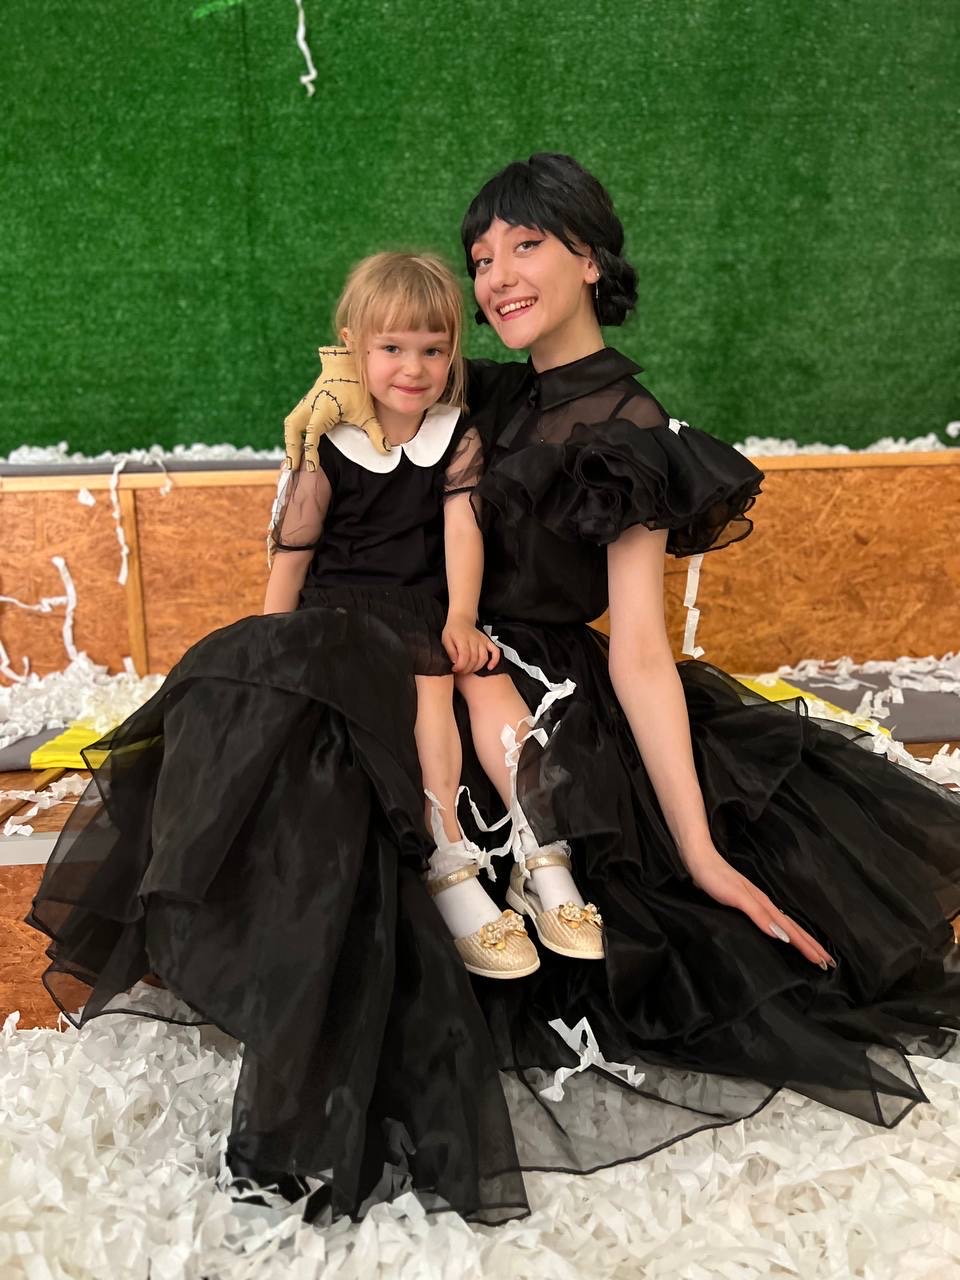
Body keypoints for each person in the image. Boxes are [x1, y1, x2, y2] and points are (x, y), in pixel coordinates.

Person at [27, 251, 546, 1224]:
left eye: (433, 349)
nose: (414, 367)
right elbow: (294, 549)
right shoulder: (327, 445)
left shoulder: (456, 437)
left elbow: (462, 534)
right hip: (331, 619)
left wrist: (461, 615)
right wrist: (269, 648)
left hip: (414, 617)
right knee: (279, 720)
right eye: (392, 349)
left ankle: (447, 844)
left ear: (451, 355)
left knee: (431, 688)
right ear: (353, 349)